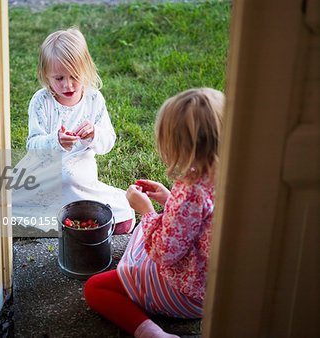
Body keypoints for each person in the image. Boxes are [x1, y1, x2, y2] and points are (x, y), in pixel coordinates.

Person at [84, 88, 224, 337]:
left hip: (189, 292)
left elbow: (164, 253)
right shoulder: (224, 175)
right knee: (141, 241)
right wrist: (169, 199)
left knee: (95, 288)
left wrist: (146, 210)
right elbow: (199, 223)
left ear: (181, 146)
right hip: (215, 285)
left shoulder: (191, 190)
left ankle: (152, 333)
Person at [13, 27, 135, 234]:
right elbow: (33, 145)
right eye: (58, 78)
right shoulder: (41, 101)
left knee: (70, 180)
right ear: (45, 75)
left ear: (86, 70)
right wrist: (55, 141)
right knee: (8, 200)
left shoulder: (93, 99)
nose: (67, 85)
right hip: (43, 168)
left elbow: (108, 141)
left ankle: (93, 215)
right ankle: (61, 219)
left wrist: (94, 134)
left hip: (78, 169)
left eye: (74, 76)